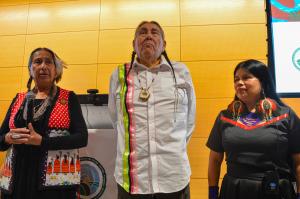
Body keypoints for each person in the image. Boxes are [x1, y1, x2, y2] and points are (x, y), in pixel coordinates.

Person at [108, 21, 196, 199]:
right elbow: (116, 120)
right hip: (132, 179)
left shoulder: (180, 72)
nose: (148, 35)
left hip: (173, 176)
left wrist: (171, 148)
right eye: (142, 32)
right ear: (134, 44)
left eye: (155, 32)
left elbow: (189, 122)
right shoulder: (119, 74)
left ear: (164, 44)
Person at [0, 47, 88, 199]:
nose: (43, 66)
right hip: (17, 182)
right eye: (37, 62)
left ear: (56, 70)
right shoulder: (19, 99)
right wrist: (7, 138)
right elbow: (0, 140)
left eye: (49, 62)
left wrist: (43, 142)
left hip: (55, 186)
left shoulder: (68, 98)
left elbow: (82, 137)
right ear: (30, 69)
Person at [206, 59, 300, 199]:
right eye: (236, 79)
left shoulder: (285, 115)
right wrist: (212, 195)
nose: (239, 82)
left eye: (246, 77)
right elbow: (214, 160)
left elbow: (298, 162)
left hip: (275, 191)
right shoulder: (225, 117)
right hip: (234, 190)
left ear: (262, 81)